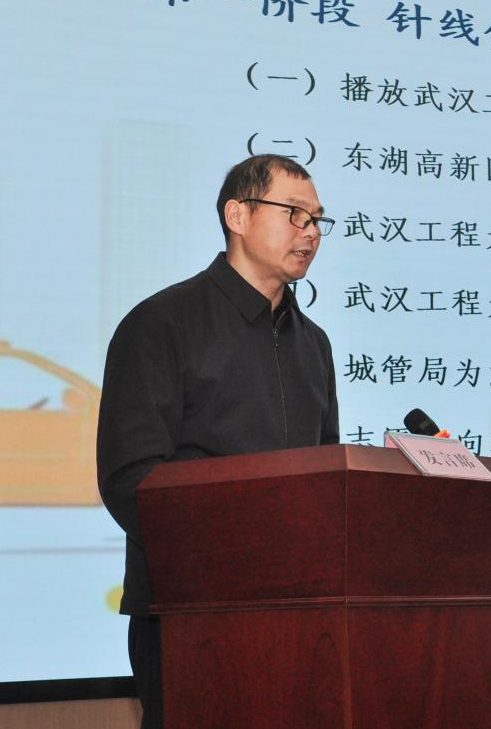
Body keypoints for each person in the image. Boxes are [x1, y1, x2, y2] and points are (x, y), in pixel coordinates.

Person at [96, 155, 340, 728]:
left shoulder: (315, 344)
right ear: (238, 215)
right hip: (189, 609)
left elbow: (327, 474)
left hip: (301, 610)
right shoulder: (162, 323)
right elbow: (130, 477)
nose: (310, 231)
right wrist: (234, 553)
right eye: (294, 213)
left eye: (317, 219)